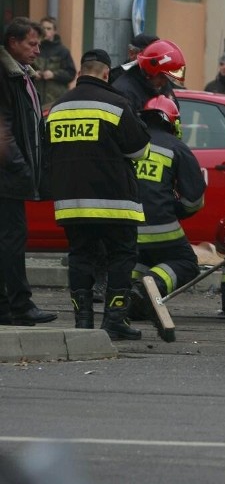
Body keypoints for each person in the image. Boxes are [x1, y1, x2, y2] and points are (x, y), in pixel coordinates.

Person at [44, 49, 150, 338]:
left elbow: (47, 152)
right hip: (114, 200)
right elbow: (139, 150)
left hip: (71, 201)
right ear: (106, 74)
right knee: (121, 255)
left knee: (80, 256)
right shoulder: (116, 103)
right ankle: (114, 321)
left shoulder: (57, 108)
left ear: (80, 72)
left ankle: (83, 322)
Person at [127, 95, 206, 319]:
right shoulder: (176, 147)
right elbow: (194, 199)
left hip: (125, 225)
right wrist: (175, 210)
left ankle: (129, 291)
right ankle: (146, 289)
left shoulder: (130, 143)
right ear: (174, 123)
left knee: (143, 258)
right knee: (187, 263)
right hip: (160, 226)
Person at [0, 17, 57, 326]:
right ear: (13, 43)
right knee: (12, 239)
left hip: (10, 174)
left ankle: (7, 307)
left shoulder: (21, 76)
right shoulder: (6, 76)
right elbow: (3, 132)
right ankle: (20, 306)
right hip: (7, 175)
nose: (37, 50)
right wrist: (22, 169)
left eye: (39, 44)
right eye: (31, 44)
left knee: (7, 240)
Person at [113, 38, 186, 113]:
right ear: (149, 70)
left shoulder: (163, 89)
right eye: (162, 77)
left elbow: (175, 114)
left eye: (168, 79)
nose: (164, 83)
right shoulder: (125, 92)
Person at [31, 16, 76, 110]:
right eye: (43, 28)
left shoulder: (63, 51)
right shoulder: (33, 48)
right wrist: (34, 73)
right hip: (35, 99)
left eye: (49, 28)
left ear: (54, 31)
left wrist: (54, 75)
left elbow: (71, 74)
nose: (45, 31)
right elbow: (24, 68)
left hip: (56, 101)